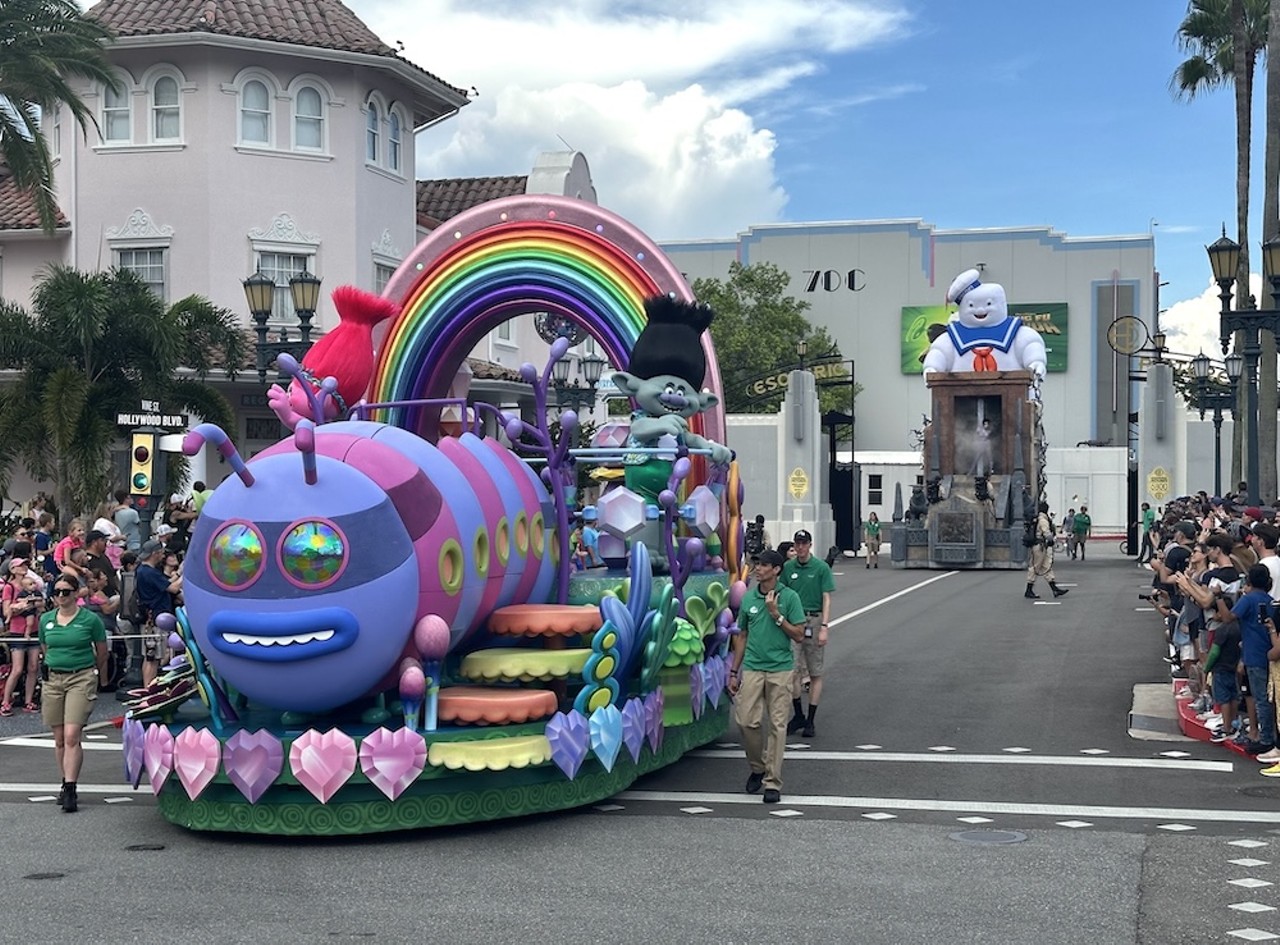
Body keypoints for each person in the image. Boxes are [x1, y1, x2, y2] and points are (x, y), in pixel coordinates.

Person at [727, 548, 804, 804]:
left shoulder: (790, 597)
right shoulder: (748, 599)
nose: (757, 568)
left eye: (762, 565)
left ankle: (772, 781)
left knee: (778, 725)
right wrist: (734, 671)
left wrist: (776, 614)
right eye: (756, 564)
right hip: (752, 666)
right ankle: (758, 767)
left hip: (780, 668)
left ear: (776, 570)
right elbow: (742, 636)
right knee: (746, 720)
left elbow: (799, 634)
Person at [39, 575, 108, 813]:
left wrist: (98, 674)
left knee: (71, 735)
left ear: (76, 593)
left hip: (81, 676)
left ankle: (71, 787)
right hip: (53, 678)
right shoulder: (46, 619)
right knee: (58, 738)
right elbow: (45, 647)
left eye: (66, 591)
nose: (60, 596)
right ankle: (64, 779)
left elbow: (101, 650)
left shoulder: (90, 619)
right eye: (57, 591)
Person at [783, 529, 835, 738]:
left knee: (815, 671)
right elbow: (782, 593)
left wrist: (824, 626)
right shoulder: (788, 568)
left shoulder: (821, 568)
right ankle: (798, 714)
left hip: (813, 619)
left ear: (810, 545)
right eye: (798, 543)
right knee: (792, 670)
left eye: (804, 543)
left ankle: (811, 720)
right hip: (794, 621)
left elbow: (826, 598)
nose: (801, 547)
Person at [135, 539, 182, 687]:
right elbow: (173, 588)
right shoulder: (149, 573)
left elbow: (165, 583)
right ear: (154, 554)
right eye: (161, 553)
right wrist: (183, 574)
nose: (162, 556)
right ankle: (149, 688)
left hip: (151, 617)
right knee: (153, 657)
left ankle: (147, 686)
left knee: (150, 656)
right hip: (155, 618)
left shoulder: (143, 570)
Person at [0, 559, 43, 716]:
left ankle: (28, 700)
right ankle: (5, 701)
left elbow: (41, 603)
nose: (24, 567)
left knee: (33, 667)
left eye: (25, 564)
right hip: (17, 629)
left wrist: (34, 604)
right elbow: (6, 612)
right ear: (13, 569)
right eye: (21, 565)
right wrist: (22, 607)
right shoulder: (9, 588)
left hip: (34, 628)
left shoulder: (32, 585)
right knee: (17, 668)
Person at [1025, 501, 1069, 599]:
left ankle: (1054, 589)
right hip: (1040, 546)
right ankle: (1028, 589)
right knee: (1035, 567)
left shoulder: (1038, 518)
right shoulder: (1043, 520)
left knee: (1046, 567)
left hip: (1039, 546)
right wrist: (1051, 541)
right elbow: (1046, 532)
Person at [112, 489, 141, 553]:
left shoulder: (116, 513)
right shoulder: (132, 512)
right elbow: (142, 526)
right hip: (136, 543)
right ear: (125, 499)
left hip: (125, 543)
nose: (132, 499)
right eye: (129, 497)